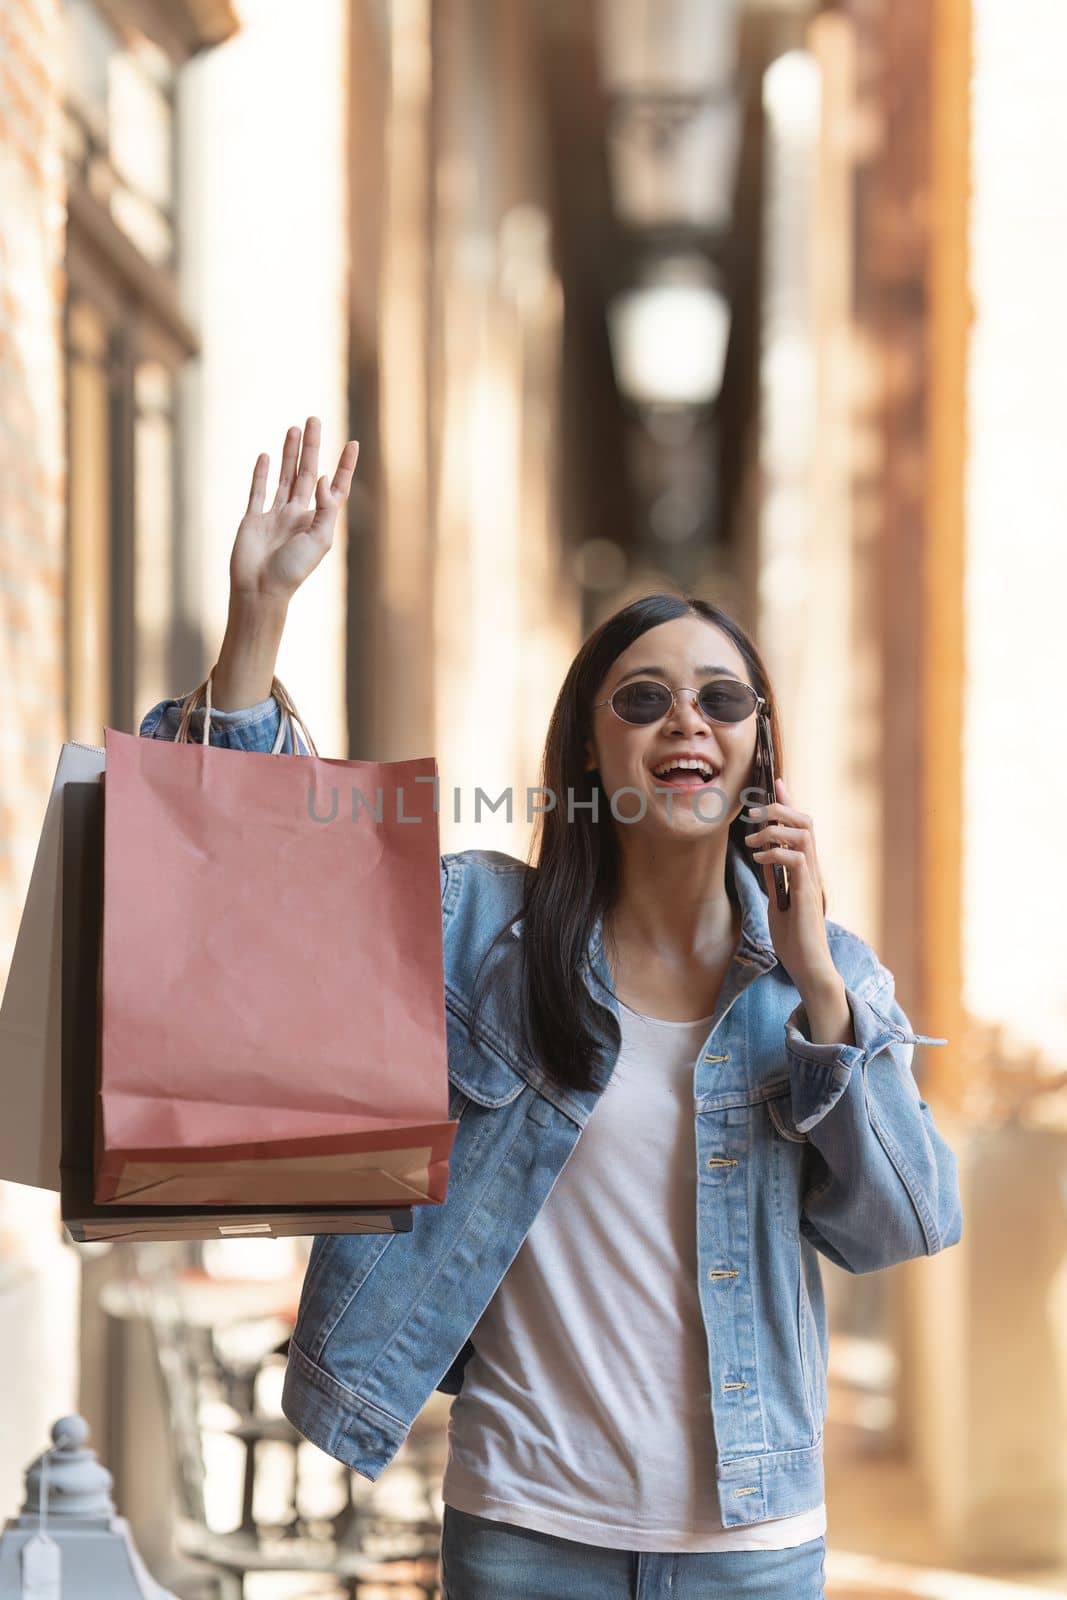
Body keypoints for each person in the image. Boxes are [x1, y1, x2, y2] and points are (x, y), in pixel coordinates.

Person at [140, 418, 963, 1600]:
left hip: (752, 1545)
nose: (687, 719)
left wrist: (819, 992)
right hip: (525, 1528)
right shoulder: (480, 929)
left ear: (754, 754)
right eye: (644, 697)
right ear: (589, 749)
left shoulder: (821, 975)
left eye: (721, 699)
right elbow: (252, 893)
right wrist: (258, 617)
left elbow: (902, 1221)